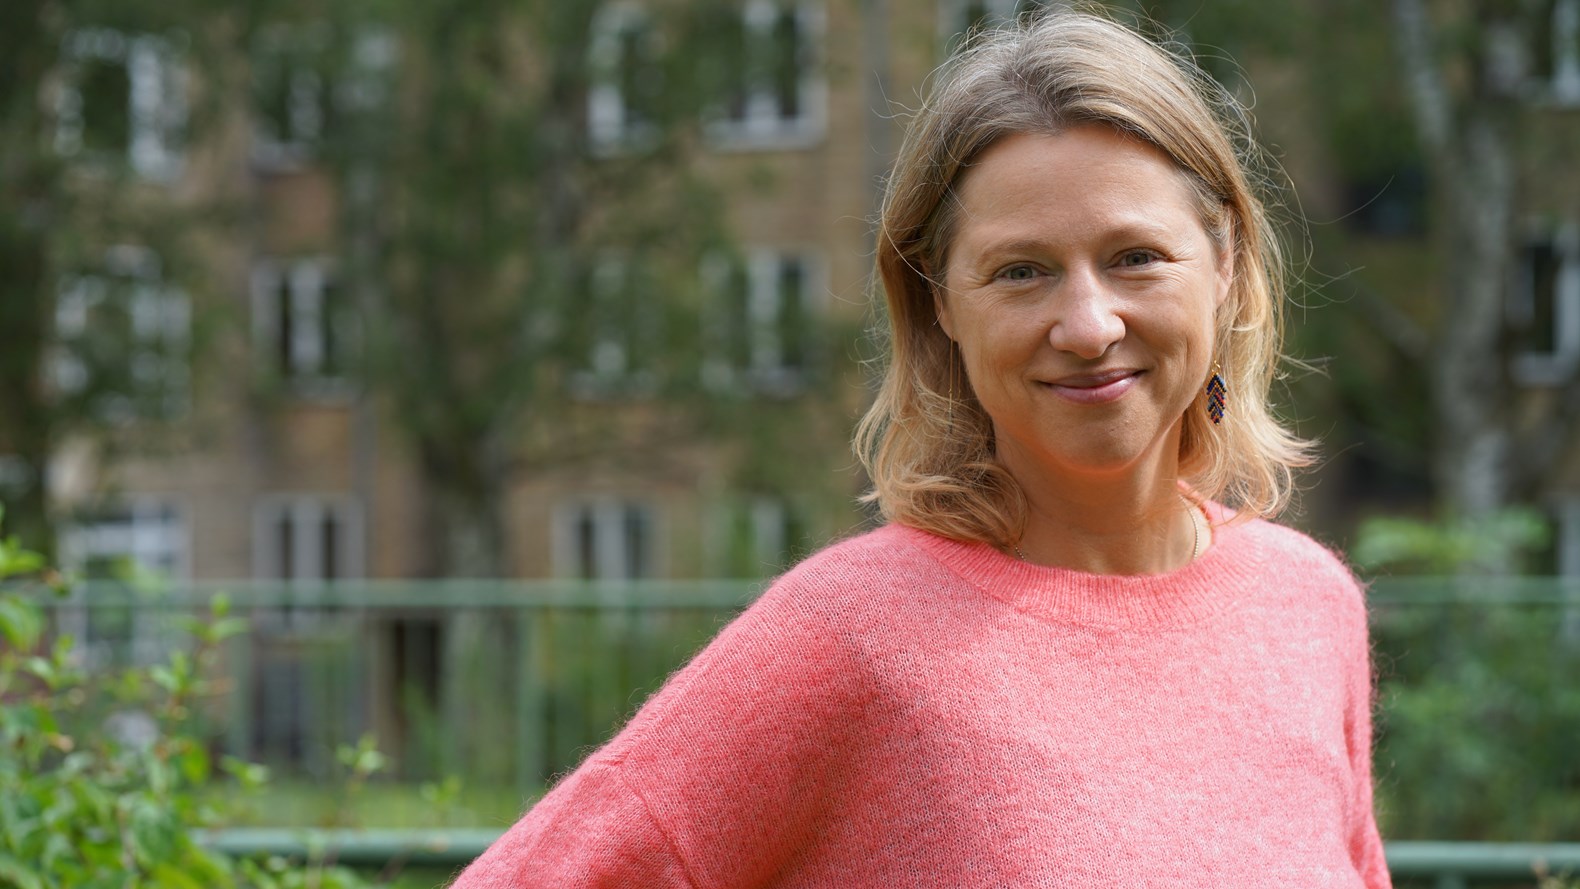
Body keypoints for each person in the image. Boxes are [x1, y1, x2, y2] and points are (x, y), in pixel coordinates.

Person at [452, 8, 1391, 888]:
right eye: (1021, 271)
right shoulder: (849, 635)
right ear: (938, 302)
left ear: (1226, 263)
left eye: (1135, 258)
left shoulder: (1307, 605)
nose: (1087, 324)